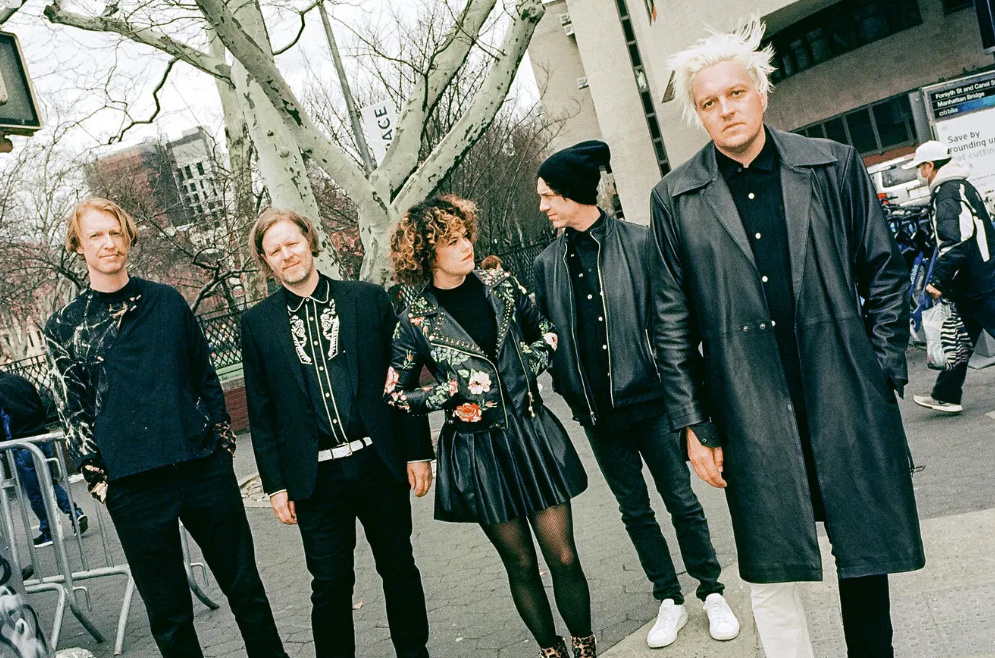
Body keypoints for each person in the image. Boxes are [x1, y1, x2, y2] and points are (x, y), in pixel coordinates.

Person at [647, 23, 924, 658]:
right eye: (709, 102)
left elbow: (883, 270)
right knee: (770, 560)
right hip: (747, 405)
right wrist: (693, 422)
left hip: (843, 389)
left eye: (735, 93)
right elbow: (670, 323)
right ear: (698, 115)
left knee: (864, 552)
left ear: (761, 93)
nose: (725, 109)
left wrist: (882, 367)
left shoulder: (831, 165)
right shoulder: (675, 199)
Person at [44, 198, 287, 658]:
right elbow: (71, 409)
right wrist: (100, 481)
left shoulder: (166, 301)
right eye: (96, 235)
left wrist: (221, 443)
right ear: (78, 246)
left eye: (115, 232)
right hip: (132, 485)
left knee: (246, 589)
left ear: (128, 237)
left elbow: (204, 375)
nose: (108, 243)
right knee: (170, 615)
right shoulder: (65, 326)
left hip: (201, 468)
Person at [533, 140, 739, 649]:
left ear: (574, 194)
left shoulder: (642, 243)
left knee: (682, 501)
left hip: (653, 403)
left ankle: (711, 590)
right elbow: (545, 337)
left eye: (549, 195)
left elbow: (675, 324)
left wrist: (687, 397)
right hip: (597, 415)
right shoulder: (545, 264)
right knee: (635, 511)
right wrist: (566, 386)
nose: (543, 206)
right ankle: (668, 598)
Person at [385, 196, 595, 658]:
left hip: (531, 432)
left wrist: (527, 366)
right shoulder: (415, 321)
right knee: (520, 564)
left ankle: (585, 648)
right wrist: (447, 393)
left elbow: (547, 331)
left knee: (563, 556)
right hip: (478, 454)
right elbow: (396, 394)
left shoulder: (501, 285)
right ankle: (552, 652)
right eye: (452, 241)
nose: (466, 246)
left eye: (465, 236)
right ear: (427, 254)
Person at [241, 208, 434, 658]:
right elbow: (261, 411)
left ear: (309, 240)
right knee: (329, 584)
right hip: (315, 478)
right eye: (275, 250)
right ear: (266, 261)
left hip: (377, 462)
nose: (287, 254)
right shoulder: (257, 324)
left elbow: (403, 377)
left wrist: (417, 451)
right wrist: (276, 485)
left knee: (399, 567)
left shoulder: (366, 300)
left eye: (292, 243)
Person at [905, 140, 995, 414]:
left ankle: (946, 395)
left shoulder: (947, 194)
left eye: (920, 168)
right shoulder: (960, 187)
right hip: (975, 281)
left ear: (930, 166)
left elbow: (955, 242)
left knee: (961, 341)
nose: (919, 174)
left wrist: (937, 281)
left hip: (978, 283)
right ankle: (946, 395)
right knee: (960, 342)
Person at [0, 371, 87, 548]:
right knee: (49, 483)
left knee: (35, 492)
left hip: (21, 443)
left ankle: (48, 531)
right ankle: (75, 512)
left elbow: (3, 420)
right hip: (41, 437)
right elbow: (40, 405)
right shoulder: (20, 380)